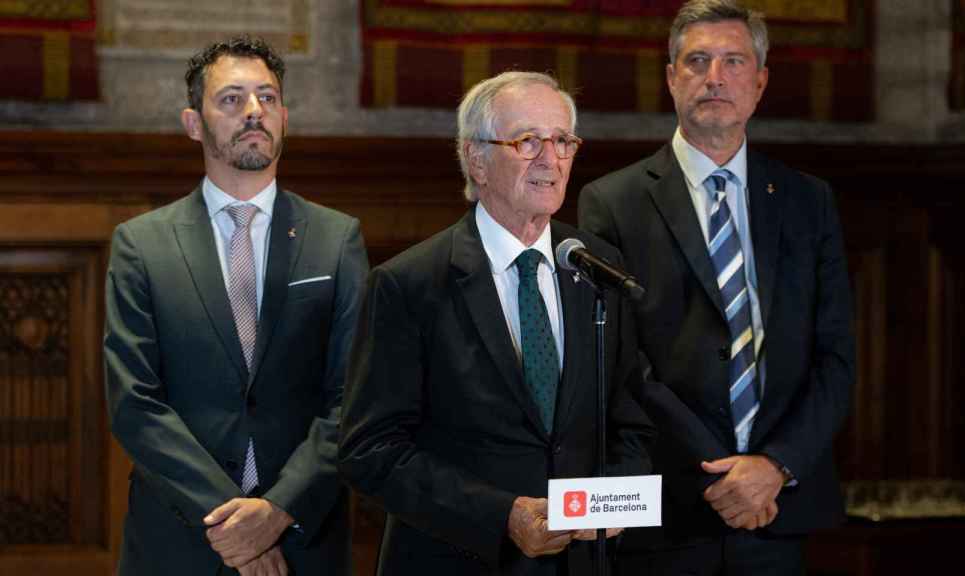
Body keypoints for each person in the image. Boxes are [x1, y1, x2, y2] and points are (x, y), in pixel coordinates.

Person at [337, 71, 655, 575]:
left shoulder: (597, 267)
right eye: (528, 141)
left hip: (578, 563)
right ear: (476, 159)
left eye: (562, 141)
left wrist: (615, 499)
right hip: (457, 560)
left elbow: (632, 420)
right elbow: (370, 450)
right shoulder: (410, 283)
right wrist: (501, 515)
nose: (550, 160)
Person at [578, 1, 855, 573]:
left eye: (734, 61)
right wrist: (724, 471)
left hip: (779, 508)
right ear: (670, 77)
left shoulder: (808, 201)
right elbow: (623, 362)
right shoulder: (612, 202)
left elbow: (835, 358)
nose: (715, 77)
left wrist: (773, 466)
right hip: (674, 508)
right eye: (697, 60)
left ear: (760, 82)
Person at [104, 36, 368, 576]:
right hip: (179, 542)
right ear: (193, 123)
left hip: (302, 539)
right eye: (231, 99)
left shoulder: (336, 240)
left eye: (267, 98)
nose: (253, 111)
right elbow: (135, 404)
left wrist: (276, 512)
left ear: (284, 117)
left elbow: (355, 395)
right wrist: (236, 529)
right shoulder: (141, 244)